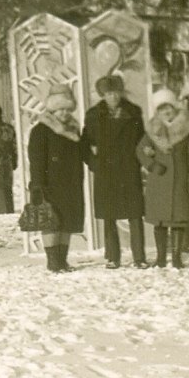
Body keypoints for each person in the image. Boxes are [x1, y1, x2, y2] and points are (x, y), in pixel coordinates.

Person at [82, 74, 147, 269]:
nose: (113, 97)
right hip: (106, 171)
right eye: (109, 93)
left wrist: (140, 161)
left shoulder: (134, 112)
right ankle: (113, 257)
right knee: (109, 216)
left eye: (116, 92)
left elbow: (142, 139)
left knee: (135, 214)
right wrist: (94, 163)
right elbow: (85, 143)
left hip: (128, 169)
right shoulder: (93, 115)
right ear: (103, 95)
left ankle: (139, 257)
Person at [137, 88, 189, 270]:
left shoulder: (188, 128)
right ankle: (160, 258)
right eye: (162, 108)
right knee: (160, 221)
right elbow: (140, 150)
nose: (166, 111)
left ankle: (176, 257)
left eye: (169, 107)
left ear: (175, 107)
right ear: (157, 111)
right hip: (159, 181)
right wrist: (151, 165)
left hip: (180, 182)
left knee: (178, 220)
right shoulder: (152, 129)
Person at [27, 83, 86, 273]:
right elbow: (36, 160)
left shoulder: (73, 130)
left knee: (67, 221)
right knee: (51, 222)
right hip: (49, 184)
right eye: (60, 109)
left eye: (67, 109)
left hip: (70, 183)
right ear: (52, 109)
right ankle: (52, 261)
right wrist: (37, 186)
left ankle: (62, 260)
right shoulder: (41, 130)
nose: (64, 113)